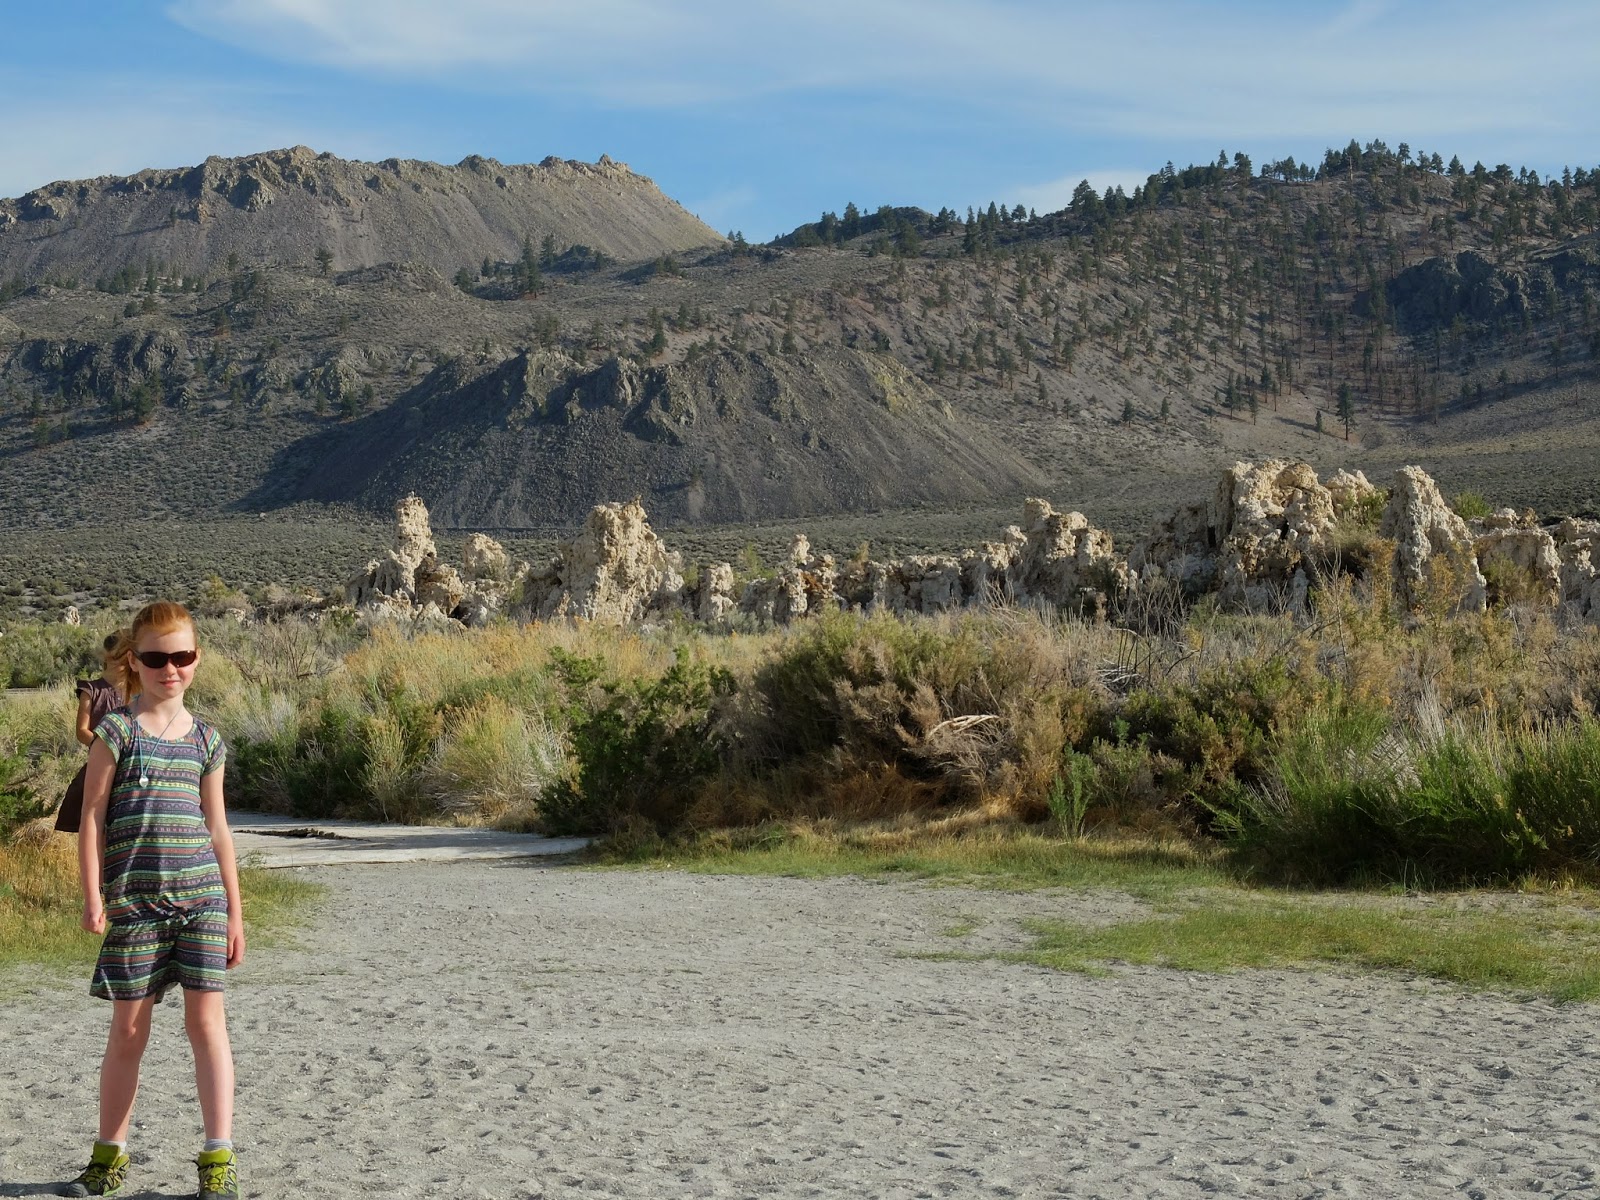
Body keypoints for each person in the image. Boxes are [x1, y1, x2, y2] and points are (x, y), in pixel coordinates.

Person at [65, 601, 244, 1200]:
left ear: (197, 659)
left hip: (202, 903)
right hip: (134, 906)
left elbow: (218, 829)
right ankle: (109, 1154)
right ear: (133, 663)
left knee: (207, 1026)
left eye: (183, 656)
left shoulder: (208, 739)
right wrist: (93, 895)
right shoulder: (115, 733)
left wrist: (235, 914)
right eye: (157, 657)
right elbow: (91, 817)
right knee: (128, 1033)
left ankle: (218, 1157)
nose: (171, 668)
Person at [53, 635, 124, 835]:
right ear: (107, 657)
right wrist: (104, 746)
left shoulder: (137, 691)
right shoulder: (91, 690)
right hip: (100, 763)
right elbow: (81, 731)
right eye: (120, 656)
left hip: (132, 764)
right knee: (93, 823)